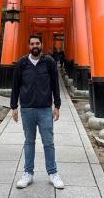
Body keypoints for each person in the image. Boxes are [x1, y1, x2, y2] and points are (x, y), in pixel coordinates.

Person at [10, 34, 64, 190]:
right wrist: (14, 106)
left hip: (45, 109)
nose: (35, 45)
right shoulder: (22, 63)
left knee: (48, 142)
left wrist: (57, 106)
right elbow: (15, 85)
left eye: (37, 43)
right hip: (27, 109)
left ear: (41, 45)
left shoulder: (49, 62)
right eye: (32, 43)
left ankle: (53, 173)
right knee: (29, 142)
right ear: (29, 46)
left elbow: (55, 85)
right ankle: (28, 173)